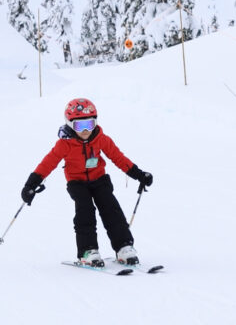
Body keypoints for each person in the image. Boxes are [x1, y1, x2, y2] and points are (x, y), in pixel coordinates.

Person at [20, 97, 154, 267]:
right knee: (85, 211)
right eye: (79, 126)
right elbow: (48, 163)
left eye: (89, 124)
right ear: (70, 124)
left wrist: (139, 175)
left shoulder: (101, 138)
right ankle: (88, 250)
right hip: (77, 183)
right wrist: (30, 184)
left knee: (111, 209)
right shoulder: (64, 144)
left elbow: (118, 157)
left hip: (100, 180)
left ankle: (124, 247)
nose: (85, 130)